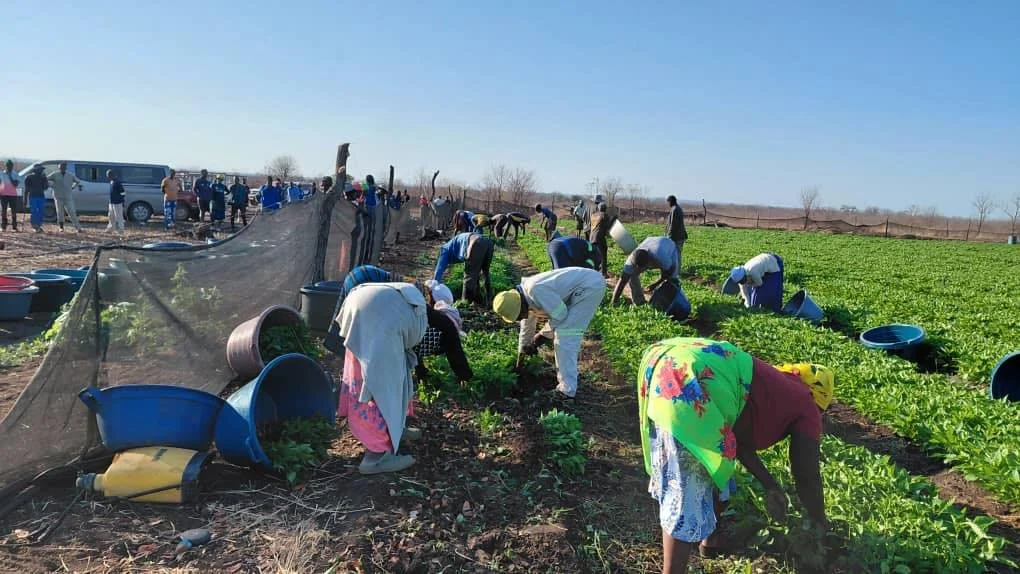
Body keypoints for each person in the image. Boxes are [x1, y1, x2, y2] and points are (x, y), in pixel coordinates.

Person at [638, 337, 832, 573]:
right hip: (689, 374)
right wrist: (820, 524)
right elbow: (807, 476)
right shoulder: (806, 405)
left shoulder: (774, 384)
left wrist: (770, 485)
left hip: (667, 355)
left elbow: (737, 442)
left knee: (718, 465)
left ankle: (710, 541)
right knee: (686, 488)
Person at [336, 282, 471, 474]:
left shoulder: (421, 314)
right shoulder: (446, 328)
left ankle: (395, 428)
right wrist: (466, 378)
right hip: (377, 318)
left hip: (359, 303)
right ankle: (376, 456)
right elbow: (454, 356)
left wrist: (422, 373)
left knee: (393, 374)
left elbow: (413, 354)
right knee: (381, 385)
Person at [492, 268, 606, 398]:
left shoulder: (535, 290)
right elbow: (526, 327)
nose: (520, 319)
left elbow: (560, 315)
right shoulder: (524, 297)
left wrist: (540, 337)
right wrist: (521, 357)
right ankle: (566, 386)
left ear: (520, 306)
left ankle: (567, 391)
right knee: (561, 332)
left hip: (590, 287)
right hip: (579, 288)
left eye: (518, 316)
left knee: (565, 334)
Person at [610, 236, 680, 306]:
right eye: (638, 268)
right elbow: (622, 281)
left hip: (669, 245)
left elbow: (670, 270)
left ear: (649, 263)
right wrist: (614, 302)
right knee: (632, 275)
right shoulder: (630, 262)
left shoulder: (661, 257)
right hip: (651, 242)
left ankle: (672, 303)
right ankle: (640, 302)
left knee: (672, 278)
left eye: (641, 269)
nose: (640, 271)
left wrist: (656, 284)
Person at [433, 231, 494, 304]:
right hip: (487, 242)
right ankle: (487, 301)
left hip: (475, 243)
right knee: (485, 273)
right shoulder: (453, 244)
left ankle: (465, 303)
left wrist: (434, 287)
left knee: (468, 275)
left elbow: (439, 270)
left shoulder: (444, 250)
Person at [46, 162, 83, 232]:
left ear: (65, 168)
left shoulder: (70, 175)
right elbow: (46, 179)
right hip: (58, 196)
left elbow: (78, 181)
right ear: (59, 167)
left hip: (68, 196)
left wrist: (73, 187)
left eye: (63, 167)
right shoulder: (55, 174)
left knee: (71, 211)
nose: (62, 168)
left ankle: (78, 227)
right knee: (60, 212)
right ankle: (61, 227)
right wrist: (51, 185)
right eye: (61, 167)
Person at [588, 203, 613, 277]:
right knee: (603, 254)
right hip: (599, 237)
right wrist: (613, 219)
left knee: (594, 255)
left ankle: (594, 271)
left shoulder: (593, 215)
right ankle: (603, 273)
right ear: (605, 208)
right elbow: (608, 226)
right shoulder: (604, 215)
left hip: (591, 237)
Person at [24, 165, 49, 233]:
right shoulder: (29, 177)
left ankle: (39, 225)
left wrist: (45, 179)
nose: (41, 171)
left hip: (41, 196)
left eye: (42, 169)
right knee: (34, 211)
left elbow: (46, 187)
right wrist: (25, 199)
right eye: (40, 169)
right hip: (33, 196)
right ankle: (34, 226)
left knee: (41, 211)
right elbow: (26, 189)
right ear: (35, 170)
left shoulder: (43, 177)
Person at [666, 195, 688, 269]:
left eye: (668, 202)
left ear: (671, 201)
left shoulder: (675, 209)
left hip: (677, 236)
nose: (668, 204)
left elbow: (673, 224)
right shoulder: (677, 208)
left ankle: (676, 272)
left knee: (677, 254)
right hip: (679, 235)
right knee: (675, 254)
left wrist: (669, 236)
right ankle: (674, 270)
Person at [0, 160, 19, 232]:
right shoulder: (1, 174)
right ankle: (3, 226)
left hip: (13, 195)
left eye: (10, 165)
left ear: (12, 166)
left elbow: (15, 184)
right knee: (3, 211)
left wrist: (10, 176)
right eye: (8, 165)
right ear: (6, 166)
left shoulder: (15, 174)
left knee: (14, 211)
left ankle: (14, 227)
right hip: (3, 194)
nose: (9, 167)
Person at [106, 169, 126, 234]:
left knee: (119, 217)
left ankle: (121, 230)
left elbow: (123, 193)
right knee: (111, 216)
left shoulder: (117, 182)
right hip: (111, 202)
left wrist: (121, 200)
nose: (107, 176)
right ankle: (111, 228)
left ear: (112, 175)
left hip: (117, 203)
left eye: (108, 175)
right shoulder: (111, 182)